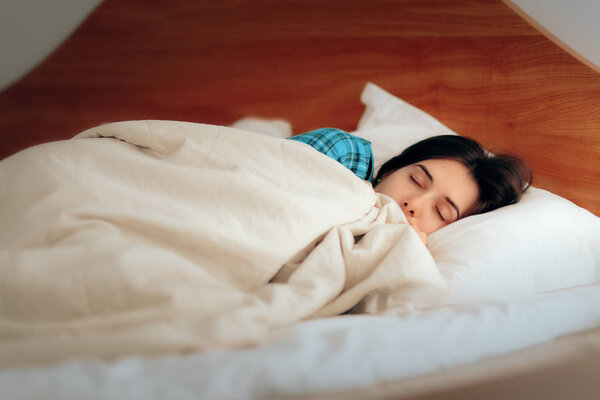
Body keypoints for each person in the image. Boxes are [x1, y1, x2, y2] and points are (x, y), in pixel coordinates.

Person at [288, 128, 532, 245]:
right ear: (393, 169)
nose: (413, 204)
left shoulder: (402, 252)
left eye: (440, 212)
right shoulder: (346, 154)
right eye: (416, 181)